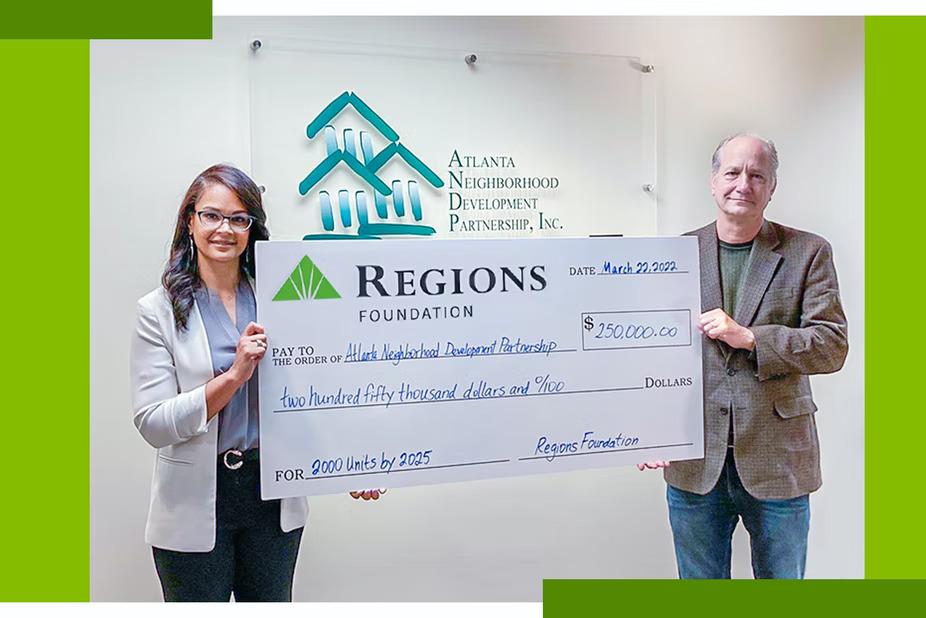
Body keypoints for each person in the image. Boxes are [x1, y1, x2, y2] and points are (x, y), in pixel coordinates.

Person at [639, 134, 848, 579]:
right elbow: (650, 353)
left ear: (772, 187)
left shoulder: (808, 252)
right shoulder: (674, 255)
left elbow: (832, 345)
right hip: (694, 463)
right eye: (732, 172)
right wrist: (647, 428)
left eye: (757, 175)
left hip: (778, 461)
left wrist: (751, 337)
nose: (743, 184)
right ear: (713, 182)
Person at [130, 164, 308, 601]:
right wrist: (232, 378)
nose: (224, 229)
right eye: (211, 215)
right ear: (189, 221)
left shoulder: (282, 298)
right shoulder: (157, 311)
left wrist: (358, 464)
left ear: (252, 229)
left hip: (273, 498)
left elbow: (315, 396)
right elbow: (153, 422)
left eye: (239, 218)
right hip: (193, 501)